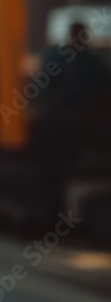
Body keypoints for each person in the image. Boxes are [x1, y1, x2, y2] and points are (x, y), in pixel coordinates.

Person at [32, 22, 111, 220]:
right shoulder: (56, 59)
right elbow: (45, 93)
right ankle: (51, 213)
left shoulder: (94, 62)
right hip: (59, 124)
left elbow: (104, 90)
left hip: (86, 123)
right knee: (52, 167)